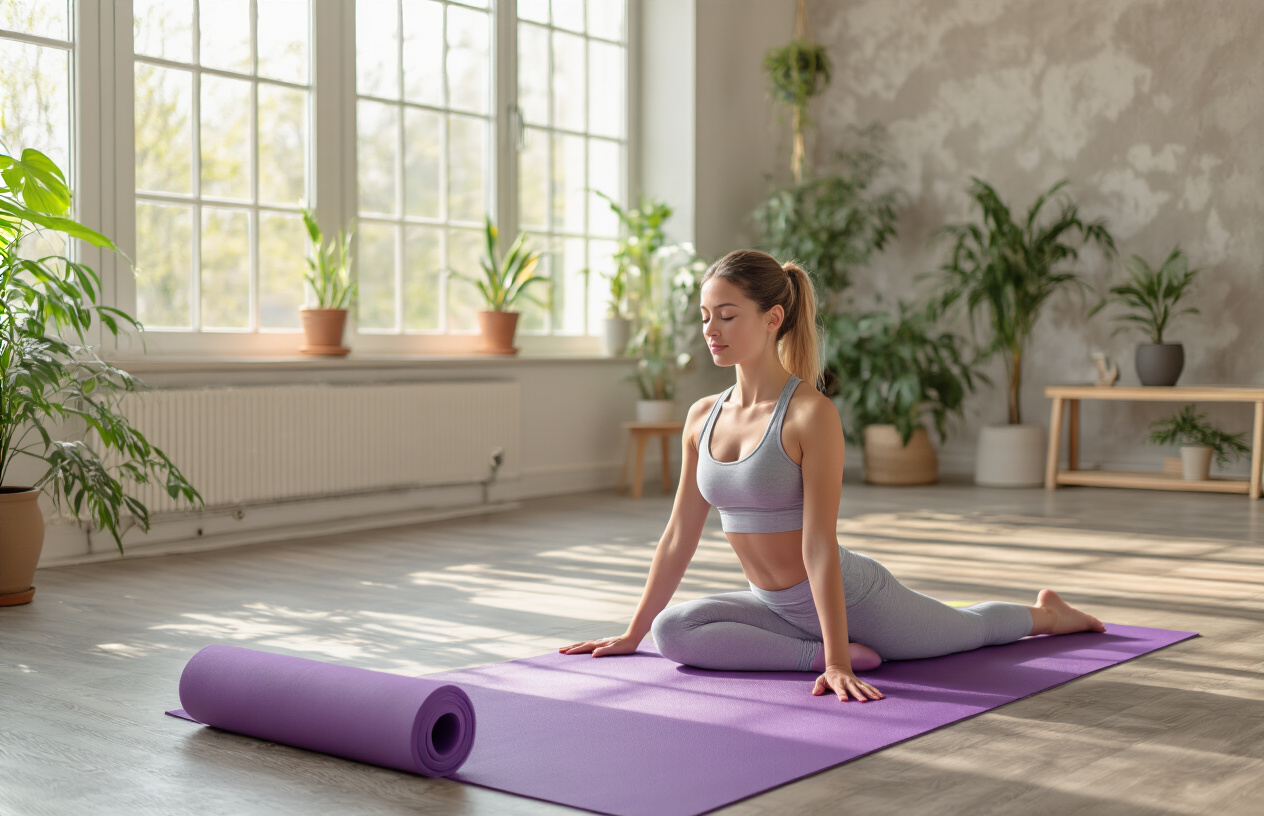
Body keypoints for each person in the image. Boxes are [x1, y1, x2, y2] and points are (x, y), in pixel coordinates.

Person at [560, 249, 1106, 703]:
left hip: (854, 598)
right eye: (704, 316)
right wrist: (632, 634)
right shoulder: (702, 415)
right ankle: (810, 654)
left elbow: (819, 545)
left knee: (968, 632)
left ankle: (1048, 614)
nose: (711, 330)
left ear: (772, 317)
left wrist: (843, 664)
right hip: (772, 605)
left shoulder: (809, 414)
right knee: (670, 632)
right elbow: (679, 534)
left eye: (727, 315)